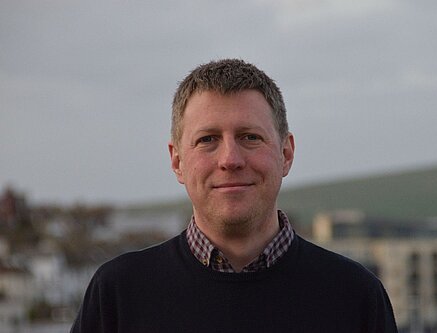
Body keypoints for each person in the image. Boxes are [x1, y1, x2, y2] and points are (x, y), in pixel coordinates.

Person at [71, 59, 398, 332]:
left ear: (286, 153)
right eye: (208, 139)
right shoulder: (117, 294)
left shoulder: (355, 296)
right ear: (177, 161)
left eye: (250, 137)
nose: (230, 159)